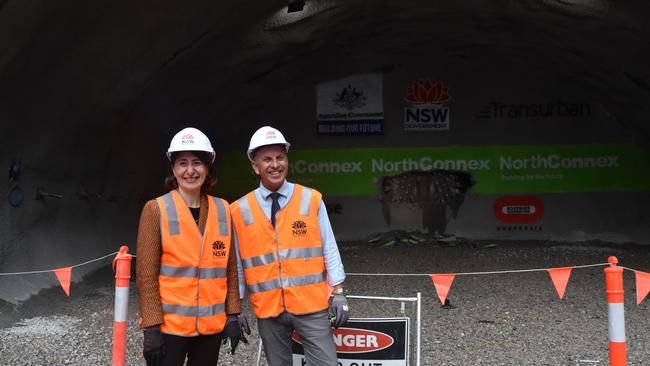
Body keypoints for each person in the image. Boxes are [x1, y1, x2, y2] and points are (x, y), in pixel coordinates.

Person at [230, 126, 350, 366]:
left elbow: (329, 247)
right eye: (267, 159)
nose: (275, 165)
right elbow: (238, 265)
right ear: (255, 166)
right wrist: (235, 309)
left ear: (287, 160)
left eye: (280, 157)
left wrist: (338, 292)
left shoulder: (311, 199)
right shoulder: (238, 210)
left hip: (311, 306)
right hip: (268, 309)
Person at [136, 127, 250, 366]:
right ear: (173, 169)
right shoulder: (155, 209)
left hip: (210, 328)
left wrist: (232, 315)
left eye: (197, 162)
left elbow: (229, 269)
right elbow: (146, 276)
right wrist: (151, 327)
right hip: (169, 328)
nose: (190, 170)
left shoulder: (223, 209)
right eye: (182, 163)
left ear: (208, 168)